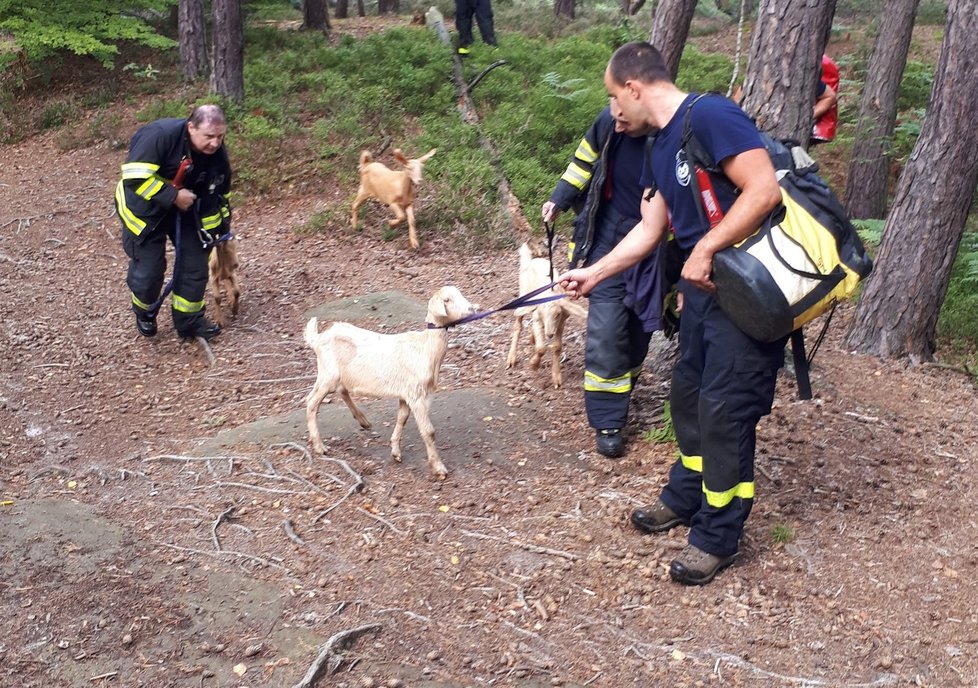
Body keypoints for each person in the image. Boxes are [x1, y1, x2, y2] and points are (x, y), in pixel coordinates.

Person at [560, 42, 786, 586]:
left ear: (634, 88)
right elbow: (649, 229)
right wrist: (595, 272)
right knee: (687, 399)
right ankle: (685, 498)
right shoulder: (661, 144)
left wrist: (705, 249)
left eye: (615, 96)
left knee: (724, 413)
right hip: (707, 297)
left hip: (750, 297)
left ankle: (718, 538)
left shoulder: (710, 114)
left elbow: (764, 190)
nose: (614, 110)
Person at [542, 100, 665, 459]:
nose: (615, 115)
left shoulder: (671, 136)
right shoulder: (607, 121)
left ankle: (624, 384)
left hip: (655, 247)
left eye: (620, 104)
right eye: (610, 103)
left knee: (640, 328)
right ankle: (609, 421)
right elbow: (583, 163)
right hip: (608, 236)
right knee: (607, 327)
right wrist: (559, 198)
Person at [115, 104, 232, 341]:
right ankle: (145, 310)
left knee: (195, 264)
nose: (215, 143)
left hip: (187, 208)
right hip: (144, 209)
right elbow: (134, 179)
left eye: (220, 136)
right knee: (150, 271)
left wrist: (218, 230)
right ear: (191, 127)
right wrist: (173, 196)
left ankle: (189, 322)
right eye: (209, 136)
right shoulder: (159, 136)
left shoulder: (216, 155)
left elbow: (219, 196)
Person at [811, 54, 839, 144]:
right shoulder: (824, 61)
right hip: (821, 126)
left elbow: (830, 96)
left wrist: (807, 116)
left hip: (818, 126)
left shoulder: (822, 62)